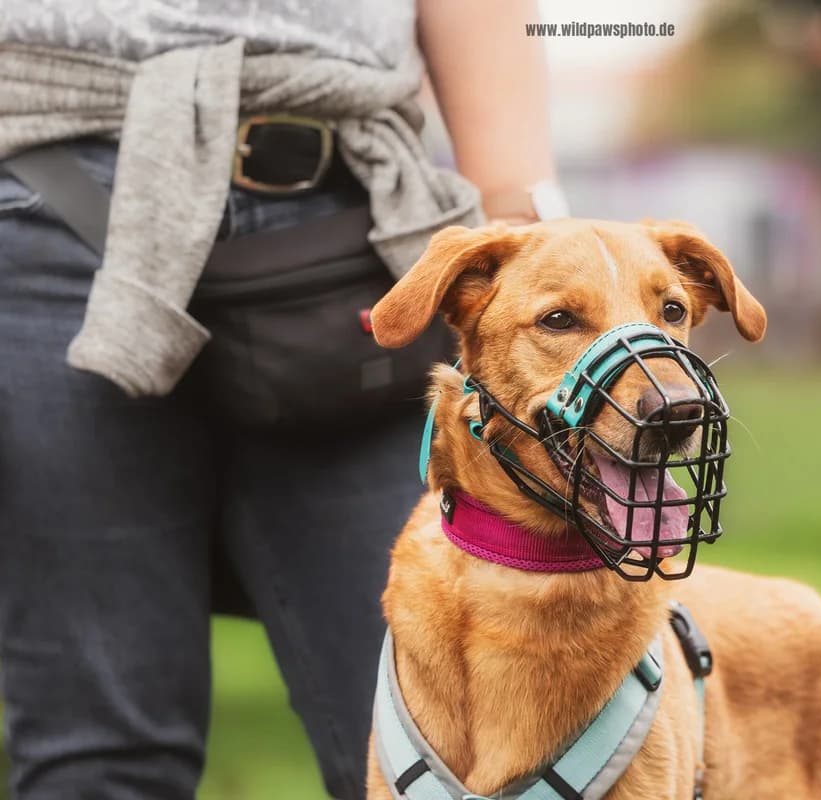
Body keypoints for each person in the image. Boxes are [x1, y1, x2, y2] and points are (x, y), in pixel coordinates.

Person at [0, 2, 564, 797]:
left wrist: (514, 207)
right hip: (47, 188)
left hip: (353, 219)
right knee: (97, 756)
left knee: (444, 760)